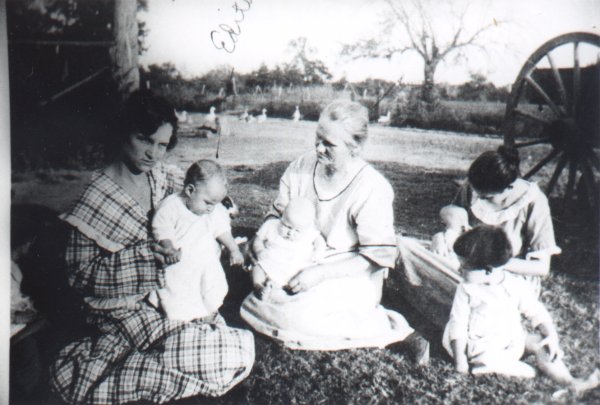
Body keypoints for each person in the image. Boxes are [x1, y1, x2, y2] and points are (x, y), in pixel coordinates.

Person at [49, 90, 254, 405]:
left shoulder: (159, 177)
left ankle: (179, 348)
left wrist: (217, 203)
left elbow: (195, 194)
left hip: (171, 293)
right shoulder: (96, 196)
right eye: (145, 140)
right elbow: (80, 277)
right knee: (205, 351)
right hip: (125, 308)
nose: (153, 155)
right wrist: (143, 258)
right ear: (121, 132)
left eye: (162, 145)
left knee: (212, 343)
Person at [240, 100, 428, 362]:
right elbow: (278, 215)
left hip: (349, 274)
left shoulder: (372, 187)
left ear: (355, 147)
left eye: (329, 144)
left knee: (298, 314)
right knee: (264, 295)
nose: (318, 148)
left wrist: (320, 273)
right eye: (318, 138)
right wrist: (259, 245)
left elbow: (375, 258)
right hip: (297, 261)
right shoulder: (301, 167)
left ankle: (394, 331)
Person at [444, 225, 600, 392]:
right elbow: (457, 324)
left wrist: (551, 335)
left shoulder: (514, 284)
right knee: (489, 359)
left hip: (513, 339)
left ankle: (569, 381)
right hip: (480, 347)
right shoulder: (467, 288)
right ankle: (504, 368)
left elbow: (536, 311)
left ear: (488, 269)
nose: (459, 269)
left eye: (464, 266)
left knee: (542, 343)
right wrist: (460, 361)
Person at [454, 146, 561, 297]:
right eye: (476, 193)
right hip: (468, 269)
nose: (478, 199)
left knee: (475, 298)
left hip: (506, 277)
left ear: (509, 187)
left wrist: (493, 262)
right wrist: (444, 235)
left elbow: (541, 267)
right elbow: (454, 217)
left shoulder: (533, 201)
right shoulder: (473, 188)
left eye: (487, 198)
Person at [148, 160, 244, 322]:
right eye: (208, 203)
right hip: (181, 262)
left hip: (206, 260)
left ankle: (207, 310)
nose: (211, 209)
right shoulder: (172, 206)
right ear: (190, 190)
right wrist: (169, 247)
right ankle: (181, 317)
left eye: (215, 204)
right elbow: (162, 229)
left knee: (211, 285)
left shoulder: (212, 210)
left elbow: (222, 229)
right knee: (178, 289)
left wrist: (233, 249)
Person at [249, 197, 327, 297]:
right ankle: (258, 286)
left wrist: (318, 252)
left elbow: (320, 241)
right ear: (282, 216)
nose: (290, 233)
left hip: (295, 265)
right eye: (287, 226)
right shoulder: (271, 225)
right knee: (258, 267)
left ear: (307, 227)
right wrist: (259, 250)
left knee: (304, 275)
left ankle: (288, 288)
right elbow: (258, 239)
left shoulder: (309, 231)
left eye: (297, 231)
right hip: (272, 261)